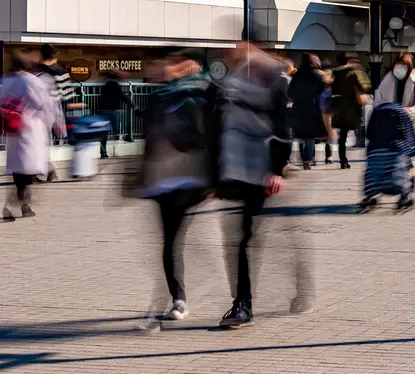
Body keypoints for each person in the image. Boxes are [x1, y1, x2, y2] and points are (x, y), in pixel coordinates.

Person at [131, 50, 221, 323]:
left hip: (191, 180)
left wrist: (214, 178)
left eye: (172, 63)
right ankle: (178, 299)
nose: (165, 69)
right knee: (170, 243)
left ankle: (181, 295)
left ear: (191, 66)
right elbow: (148, 140)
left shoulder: (207, 93)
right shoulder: (159, 98)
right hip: (162, 181)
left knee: (175, 241)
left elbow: (213, 137)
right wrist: (141, 178)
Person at [216, 43, 297, 329]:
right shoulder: (232, 79)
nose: (234, 52)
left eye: (240, 47)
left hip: (262, 170)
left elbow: (283, 124)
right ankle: (242, 303)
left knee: (246, 239)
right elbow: (219, 120)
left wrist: (276, 170)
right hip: (235, 168)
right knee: (240, 239)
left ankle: (245, 304)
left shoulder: (274, 78)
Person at [0, 51, 66, 221]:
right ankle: (19, 204)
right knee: (27, 170)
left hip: (13, 129)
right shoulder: (31, 81)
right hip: (29, 128)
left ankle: (20, 204)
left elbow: (0, 103)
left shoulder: (7, 80)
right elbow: (42, 103)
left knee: (18, 171)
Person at [39, 43, 80, 179]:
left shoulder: (35, 70)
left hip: (33, 110)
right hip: (51, 110)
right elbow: (67, 95)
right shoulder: (59, 71)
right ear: (55, 55)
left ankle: (42, 169)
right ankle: (49, 170)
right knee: (44, 142)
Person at [373, 51, 415, 138]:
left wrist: (410, 111)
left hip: (411, 128)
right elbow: (378, 101)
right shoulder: (387, 80)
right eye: (399, 64)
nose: (400, 67)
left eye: (404, 64)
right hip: (391, 126)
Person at [288, 53, 329, 170]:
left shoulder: (296, 75)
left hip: (298, 106)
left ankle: (303, 158)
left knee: (300, 133)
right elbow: (323, 88)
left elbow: (290, 91)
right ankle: (307, 159)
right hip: (312, 105)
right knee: (310, 136)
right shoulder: (316, 75)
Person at [329, 56, 370, 170]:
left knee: (342, 135)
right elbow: (360, 89)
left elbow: (332, 88)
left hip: (339, 107)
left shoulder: (336, 73)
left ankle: (343, 160)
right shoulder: (353, 73)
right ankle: (365, 155)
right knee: (358, 130)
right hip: (351, 107)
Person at [99, 71, 134, 159]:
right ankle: (114, 148)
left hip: (102, 110)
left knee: (104, 133)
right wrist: (133, 105)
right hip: (111, 110)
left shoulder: (105, 85)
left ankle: (103, 153)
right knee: (116, 130)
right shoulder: (115, 85)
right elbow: (122, 96)